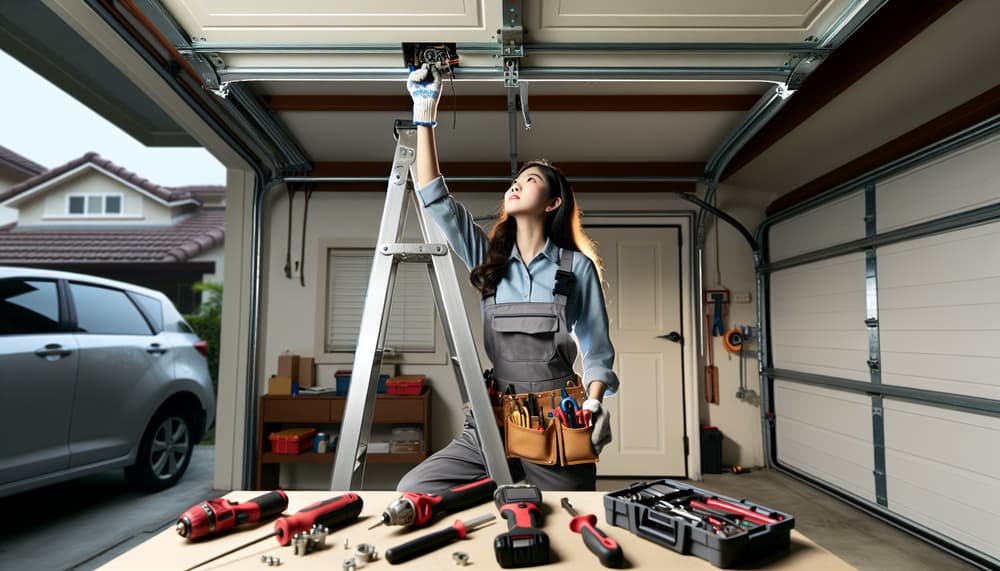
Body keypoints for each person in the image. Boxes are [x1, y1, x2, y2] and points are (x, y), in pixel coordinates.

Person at [395, 64, 619, 493]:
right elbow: (434, 198)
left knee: (563, 523)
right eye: (514, 181)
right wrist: (425, 111)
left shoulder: (576, 268)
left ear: (553, 202)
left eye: (530, 181)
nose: (515, 185)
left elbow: (595, 349)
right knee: (416, 489)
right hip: (492, 418)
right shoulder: (489, 259)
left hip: (556, 423)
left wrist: (594, 401)